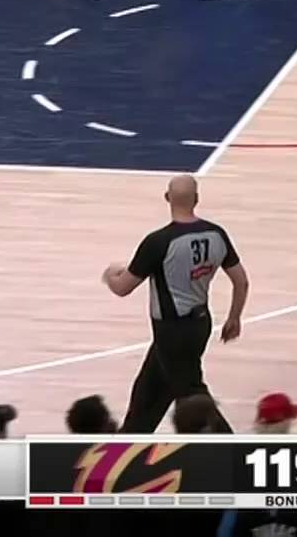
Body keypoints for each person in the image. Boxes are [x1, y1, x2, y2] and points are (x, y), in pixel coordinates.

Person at [103, 174, 249, 432]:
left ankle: (232, 449)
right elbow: (241, 281)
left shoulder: (158, 242)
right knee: (148, 395)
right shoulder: (216, 234)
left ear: (167, 198)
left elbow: (123, 288)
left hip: (172, 331)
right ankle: (129, 441)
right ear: (197, 199)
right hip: (200, 324)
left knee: (193, 397)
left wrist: (110, 276)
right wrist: (234, 318)